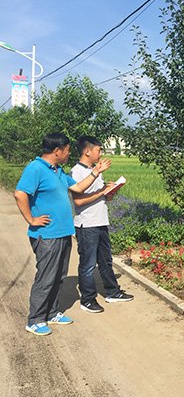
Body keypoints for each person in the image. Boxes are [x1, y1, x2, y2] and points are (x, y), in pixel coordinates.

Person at [14, 132, 111, 336]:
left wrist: (96, 172)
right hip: (47, 234)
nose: (69, 154)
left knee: (59, 276)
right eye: (67, 150)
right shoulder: (36, 168)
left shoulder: (58, 171)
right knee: (46, 277)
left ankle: (51, 312)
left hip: (63, 232)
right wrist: (31, 219)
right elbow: (20, 193)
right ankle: (35, 319)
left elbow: (78, 187)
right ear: (57, 151)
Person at [71, 136, 133, 314]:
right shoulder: (77, 172)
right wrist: (101, 191)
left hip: (100, 221)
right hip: (87, 225)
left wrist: (110, 191)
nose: (100, 154)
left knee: (106, 260)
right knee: (88, 265)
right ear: (87, 151)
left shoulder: (95, 171)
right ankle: (87, 300)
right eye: (98, 150)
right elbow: (78, 201)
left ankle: (112, 292)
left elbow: (102, 196)